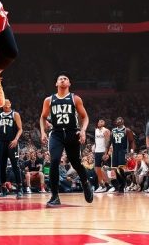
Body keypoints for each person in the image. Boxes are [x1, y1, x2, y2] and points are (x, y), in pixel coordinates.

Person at [39, 72, 94, 207]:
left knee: (76, 163)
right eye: (60, 79)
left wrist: (83, 130)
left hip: (72, 133)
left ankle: (85, 182)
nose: (63, 80)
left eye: (65, 79)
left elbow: (85, 117)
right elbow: (43, 117)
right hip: (56, 134)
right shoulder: (49, 100)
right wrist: (43, 132)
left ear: (69, 83)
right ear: (56, 83)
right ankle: (55, 196)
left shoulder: (75, 98)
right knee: (54, 161)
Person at [0, 99, 23, 198]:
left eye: (7, 103)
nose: (5, 104)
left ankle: (20, 189)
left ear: (10, 104)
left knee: (15, 165)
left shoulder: (15, 114)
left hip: (11, 142)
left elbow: (20, 129)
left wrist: (16, 139)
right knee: (1, 166)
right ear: (1, 105)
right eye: (4, 103)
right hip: (1, 143)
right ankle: (3, 189)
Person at [108, 116, 136, 192]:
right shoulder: (113, 130)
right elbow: (109, 142)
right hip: (115, 152)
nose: (118, 121)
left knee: (121, 168)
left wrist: (132, 151)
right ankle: (121, 183)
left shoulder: (127, 130)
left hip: (123, 151)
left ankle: (124, 184)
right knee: (115, 168)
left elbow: (131, 141)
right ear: (115, 122)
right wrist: (106, 152)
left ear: (123, 121)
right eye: (117, 120)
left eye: (120, 120)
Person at [93, 119, 111, 192]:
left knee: (105, 169)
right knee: (97, 169)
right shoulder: (96, 130)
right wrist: (94, 149)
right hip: (97, 152)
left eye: (101, 122)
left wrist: (106, 153)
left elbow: (108, 142)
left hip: (103, 152)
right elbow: (96, 141)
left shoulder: (106, 131)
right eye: (98, 121)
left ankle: (109, 185)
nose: (99, 123)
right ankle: (102, 186)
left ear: (104, 123)